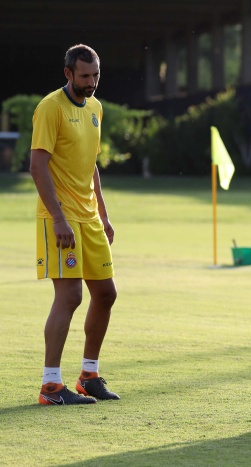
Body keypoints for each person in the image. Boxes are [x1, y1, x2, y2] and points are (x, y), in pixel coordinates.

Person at [30, 44, 119, 405]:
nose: (92, 82)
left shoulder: (95, 108)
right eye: (85, 76)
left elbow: (90, 165)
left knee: (106, 294)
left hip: (90, 217)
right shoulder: (50, 107)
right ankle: (51, 386)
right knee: (70, 296)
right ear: (68, 73)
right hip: (61, 218)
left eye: (96, 75)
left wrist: (104, 214)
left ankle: (89, 376)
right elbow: (37, 165)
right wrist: (58, 218)